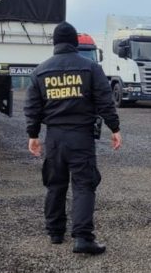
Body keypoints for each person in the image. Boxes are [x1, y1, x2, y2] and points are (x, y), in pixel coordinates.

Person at [25, 21, 122, 254]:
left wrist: (33, 134)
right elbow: (104, 101)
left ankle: (55, 232)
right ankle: (83, 237)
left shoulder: (41, 71)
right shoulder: (90, 68)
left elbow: (32, 106)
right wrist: (114, 128)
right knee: (83, 185)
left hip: (55, 138)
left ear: (55, 43)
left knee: (55, 184)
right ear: (76, 43)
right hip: (81, 136)